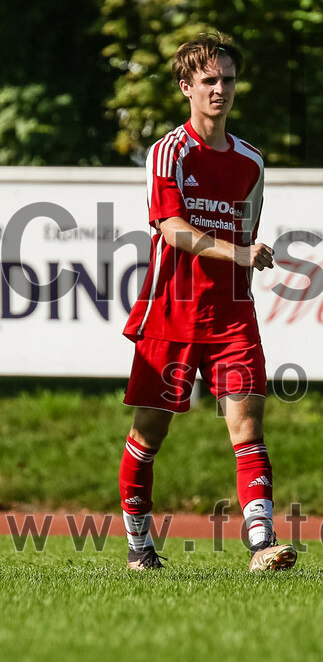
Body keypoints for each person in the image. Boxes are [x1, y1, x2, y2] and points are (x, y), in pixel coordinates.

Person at [118, 32, 297, 572]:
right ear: (186, 88)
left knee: (248, 430)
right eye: (209, 80)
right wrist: (239, 253)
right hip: (170, 312)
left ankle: (262, 544)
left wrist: (241, 259)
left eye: (229, 79)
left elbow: (247, 226)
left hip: (231, 316)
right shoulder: (169, 152)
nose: (221, 89)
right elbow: (170, 229)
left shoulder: (251, 161)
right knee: (148, 435)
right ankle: (138, 543)